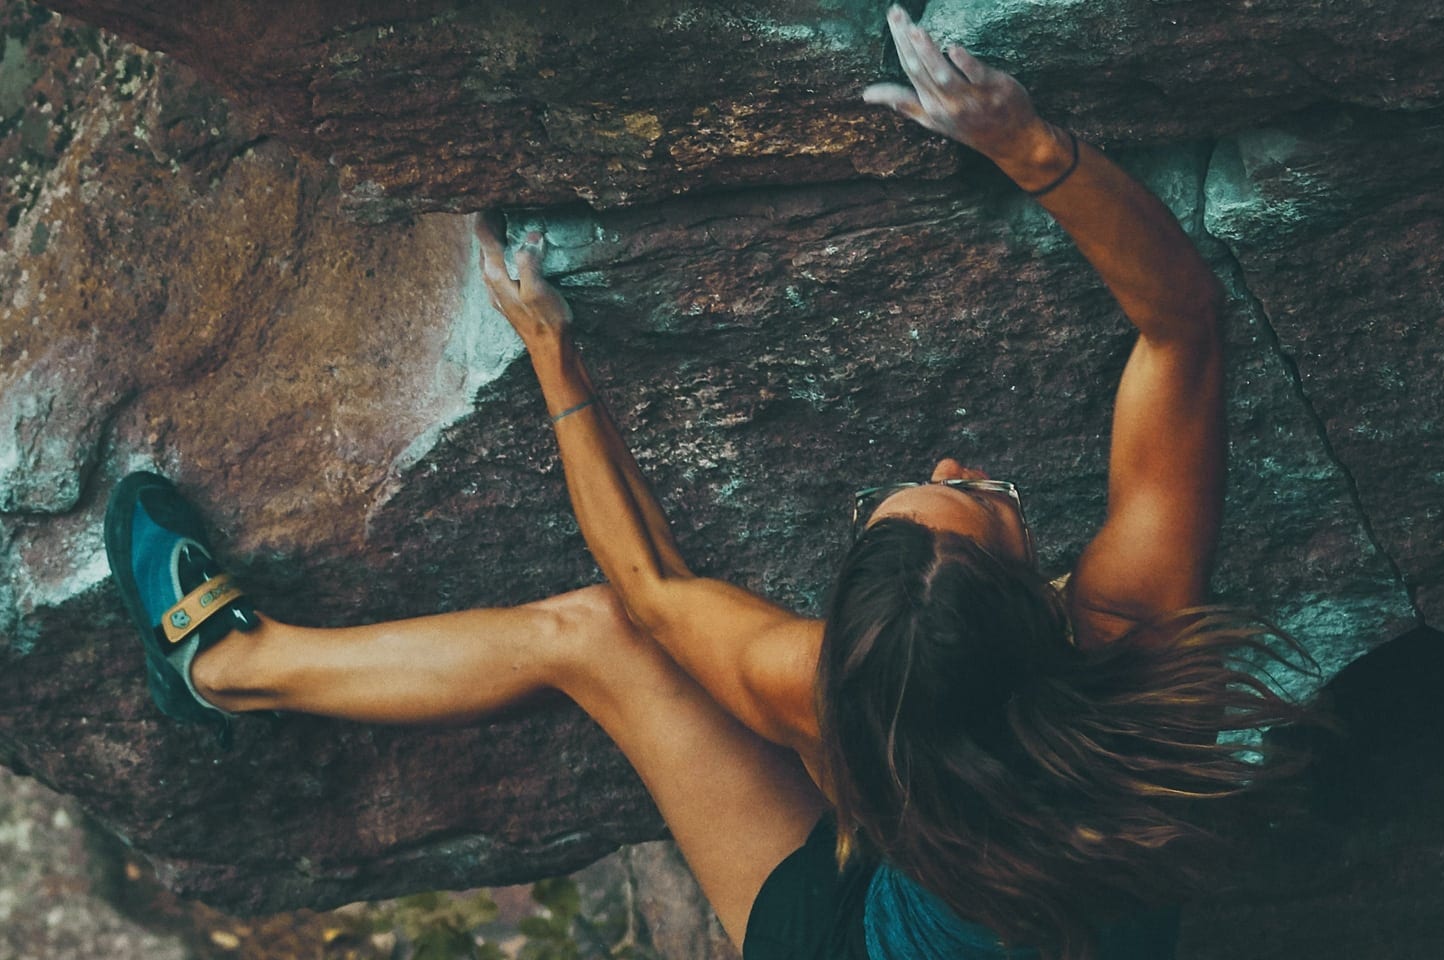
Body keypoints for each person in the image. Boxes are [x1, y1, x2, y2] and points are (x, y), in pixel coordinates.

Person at [104, 7, 1307, 959]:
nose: (951, 464)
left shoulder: (822, 690)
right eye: (963, 494)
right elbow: (1182, 332)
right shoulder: (1136, 664)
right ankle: (231, 672)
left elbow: (648, 581)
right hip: (966, 886)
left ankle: (226, 667)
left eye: (957, 492)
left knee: (591, 634)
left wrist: (556, 357)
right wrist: (1028, 146)